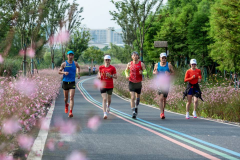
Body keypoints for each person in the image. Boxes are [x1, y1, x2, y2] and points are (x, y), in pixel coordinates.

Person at [125, 51, 147, 119]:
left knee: (137, 98)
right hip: (131, 81)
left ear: (138, 56)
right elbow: (126, 71)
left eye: (136, 55)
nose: (135, 56)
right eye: (133, 55)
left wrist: (142, 72)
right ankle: (133, 111)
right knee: (132, 97)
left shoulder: (141, 64)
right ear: (132, 57)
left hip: (138, 82)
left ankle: (136, 107)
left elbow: (146, 72)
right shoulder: (129, 64)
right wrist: (127, 75)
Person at [59, 50, 81, 118]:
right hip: (65, 82)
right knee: (66, 98)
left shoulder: (75, 63)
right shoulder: (64, 64)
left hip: (72, 82)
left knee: (71, 97)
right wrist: (64, 73)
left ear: (73, 56)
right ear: (67, 56)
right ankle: (66, 105)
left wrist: (78, 73)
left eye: (72, 55)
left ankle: (70, 112)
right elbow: (59, 71)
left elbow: (78, 67)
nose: (71, 56)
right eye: (69, 55)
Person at [153, 53, 174, 119]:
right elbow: (154, 71)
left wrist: (169, 74)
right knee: (161, 97)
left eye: (165, 58)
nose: (164, 59)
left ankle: (163, 111)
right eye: (162, 58)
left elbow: (174, 73)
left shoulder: (169, 65)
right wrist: (155, 73)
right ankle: (161, 113)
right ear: (160, 58)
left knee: (164, 99)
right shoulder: (157, 65)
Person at [98, 55, 117, 119]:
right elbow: (99, 74)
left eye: (108, 60)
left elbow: (116, 77)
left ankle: (108, 106)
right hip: (102, 85)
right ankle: (105, 113)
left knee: (109, 100)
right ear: (104, 60)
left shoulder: (112, 68)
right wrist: (98, 76)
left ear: (110, 60)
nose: (107, 61)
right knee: (104, 99)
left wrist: (110, 76)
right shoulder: (101, 67)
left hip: (110, 85)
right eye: (106, 60)